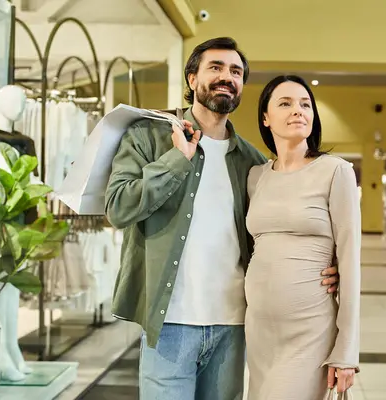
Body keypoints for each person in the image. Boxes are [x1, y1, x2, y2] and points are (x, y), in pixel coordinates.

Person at [104, 37, 339, 400]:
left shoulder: (253, 161)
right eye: (215, 67)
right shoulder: (149, 136)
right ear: (192, 78)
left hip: (234, 325)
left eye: (236, 71)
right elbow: (118, 207)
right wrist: (176, 161)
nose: (226, 77)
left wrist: (327, 266)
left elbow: (279, 233)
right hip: (170, 325)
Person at [244, 75, 361, 399]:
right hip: (260, 331)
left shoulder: (336, 171)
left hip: (309, 331)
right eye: (285, 103)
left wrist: (346, 350)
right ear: (265, 118)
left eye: (305, 104)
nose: (298, 110)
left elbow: (350, 262)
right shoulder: (256, 177)